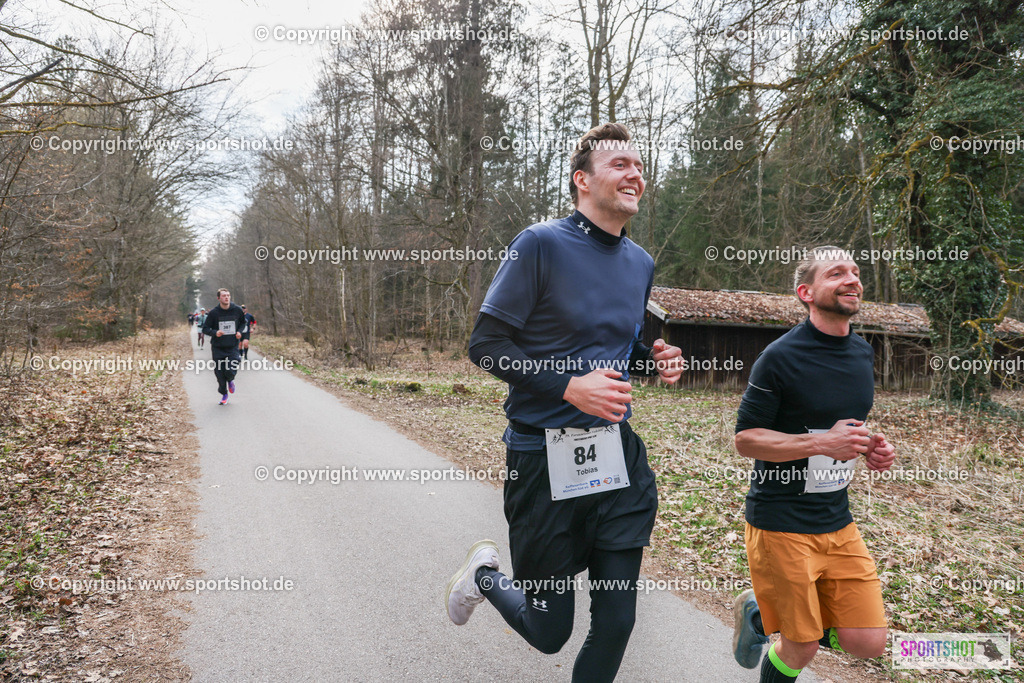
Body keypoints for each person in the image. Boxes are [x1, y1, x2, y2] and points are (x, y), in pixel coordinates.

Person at [445, 122, 683, 682]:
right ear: (582, 180)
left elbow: (614, 347)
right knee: (550, 631)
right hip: (542, 458)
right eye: (619, 164)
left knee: (617, 622)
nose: (635, 174)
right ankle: (484, 577)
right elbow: (486, 345)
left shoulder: (640, 263)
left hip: (616, 456)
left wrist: (653, 360)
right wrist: (569, 386)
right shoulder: (540, 244)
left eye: (639, 165)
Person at [731, 246, 896, 682]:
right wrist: (822, 442)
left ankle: (761, 612)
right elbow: (746, 440)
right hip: (781, 522)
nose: (852, 279)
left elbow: (842, 426)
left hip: (837, 519)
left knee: (868, 642)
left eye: (856, 272)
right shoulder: (779, 357)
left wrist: (870, 447)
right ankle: (774, 619)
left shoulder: (861, 352)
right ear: (806, 292)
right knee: (800, 646)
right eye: (836, 273)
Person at [201, 290, 246, 405]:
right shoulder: (214, 313)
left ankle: (230, 379)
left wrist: (239, 332)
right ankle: (224, 394)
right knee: (219, 373)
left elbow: (243, 323)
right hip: (218, 347)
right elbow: (205, 329)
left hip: (232, 345)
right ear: (218, 298)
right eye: (224, 296)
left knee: (232, 365)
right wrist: (215, 333)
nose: (226, 297)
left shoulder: (237, 310)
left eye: (228, 295)